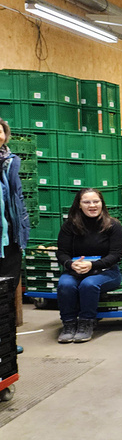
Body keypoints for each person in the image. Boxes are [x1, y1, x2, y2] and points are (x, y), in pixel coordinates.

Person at [55, 188, 122, 343]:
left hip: (107, 272)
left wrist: (92, 265)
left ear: (102, 203)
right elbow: (61, 253)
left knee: (88, 284)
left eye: (96, 201)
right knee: (65, 284)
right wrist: (71, 264)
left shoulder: (113, 225)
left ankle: (86, 323)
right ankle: (68, 324)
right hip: (76, 270)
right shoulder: (69, 226)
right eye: (86, 202)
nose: (92, 205)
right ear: (79, 205)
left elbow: (116, 255)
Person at [0, 118, 31, 354]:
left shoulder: (10, 161)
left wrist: (22, 229)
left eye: (0, 131)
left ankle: (5, 341)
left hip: (10, 237)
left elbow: (17, 199)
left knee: (7, 290)